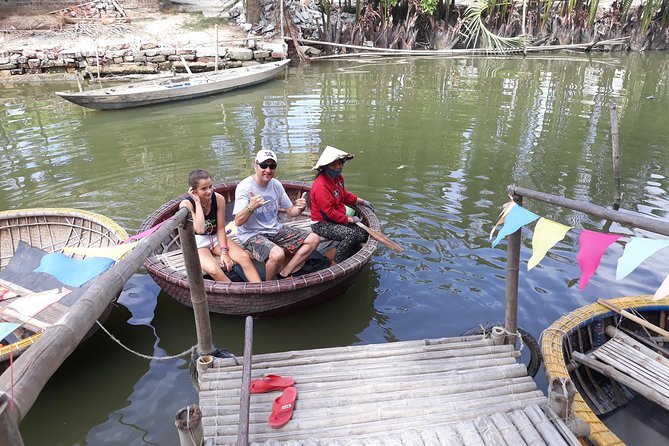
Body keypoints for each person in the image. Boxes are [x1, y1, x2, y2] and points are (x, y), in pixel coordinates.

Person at [233, 150, 320, 280]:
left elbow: (291, 211)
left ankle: (284, 273)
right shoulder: (244, 187)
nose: (268, 170)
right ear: (255, 165)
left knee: (314, 239)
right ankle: (270, 284)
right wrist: (250, 208)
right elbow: (238, 222)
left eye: (272, 166)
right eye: (264, 165)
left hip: (274, 229)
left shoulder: (276, 184)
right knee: (277, 254)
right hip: (251, 234)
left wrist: (301, 207)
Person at [179, 169, 261, 283]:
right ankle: (237, 296)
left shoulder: (218, 199)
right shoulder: (186, 205)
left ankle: (259, 289)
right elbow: (200, 228)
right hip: (197, 242)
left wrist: (224, 252)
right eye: (203, 189)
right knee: (214, 270)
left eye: (210, 186)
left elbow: (221, 228)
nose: (209, 191)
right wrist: (197, 202)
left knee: (244, 257)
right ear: (194, 190)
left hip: (216, 237)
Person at [309, 145, 374, 264]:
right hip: (322, 223)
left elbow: (343, 195)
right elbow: (328, 212)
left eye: (341, 163)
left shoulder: (338, 179)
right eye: (335, 164)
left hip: (336, 218)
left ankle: (332, 251)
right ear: (326, 166)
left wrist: (361, 201)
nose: (339, 167)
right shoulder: (320, 186)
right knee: (350, 235)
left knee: (363, 234)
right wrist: (349, 219)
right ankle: (335, 262)